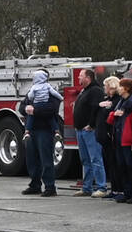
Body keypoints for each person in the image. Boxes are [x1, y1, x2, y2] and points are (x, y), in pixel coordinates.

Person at [20, 69, 62, 197]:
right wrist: (26, 108)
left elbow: (53, 108)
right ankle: (35, 184)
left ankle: (50, 187)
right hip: (32, 130)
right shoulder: (32, 90)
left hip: (45, 130)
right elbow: (21, 107)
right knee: (31, 159)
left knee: (46, 159)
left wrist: (35, 110)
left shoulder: (50, 92)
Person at [72, 67, 109, 197]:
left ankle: (101, 187)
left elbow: (96, 108)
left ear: (88, 78)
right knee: (85, 160)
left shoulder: (95, 91)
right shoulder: (84, 91)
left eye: (81, 76)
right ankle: (86, 187)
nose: (78, 78)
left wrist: (91, 124)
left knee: (95, 159)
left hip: (90, 131)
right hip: (80, 130)